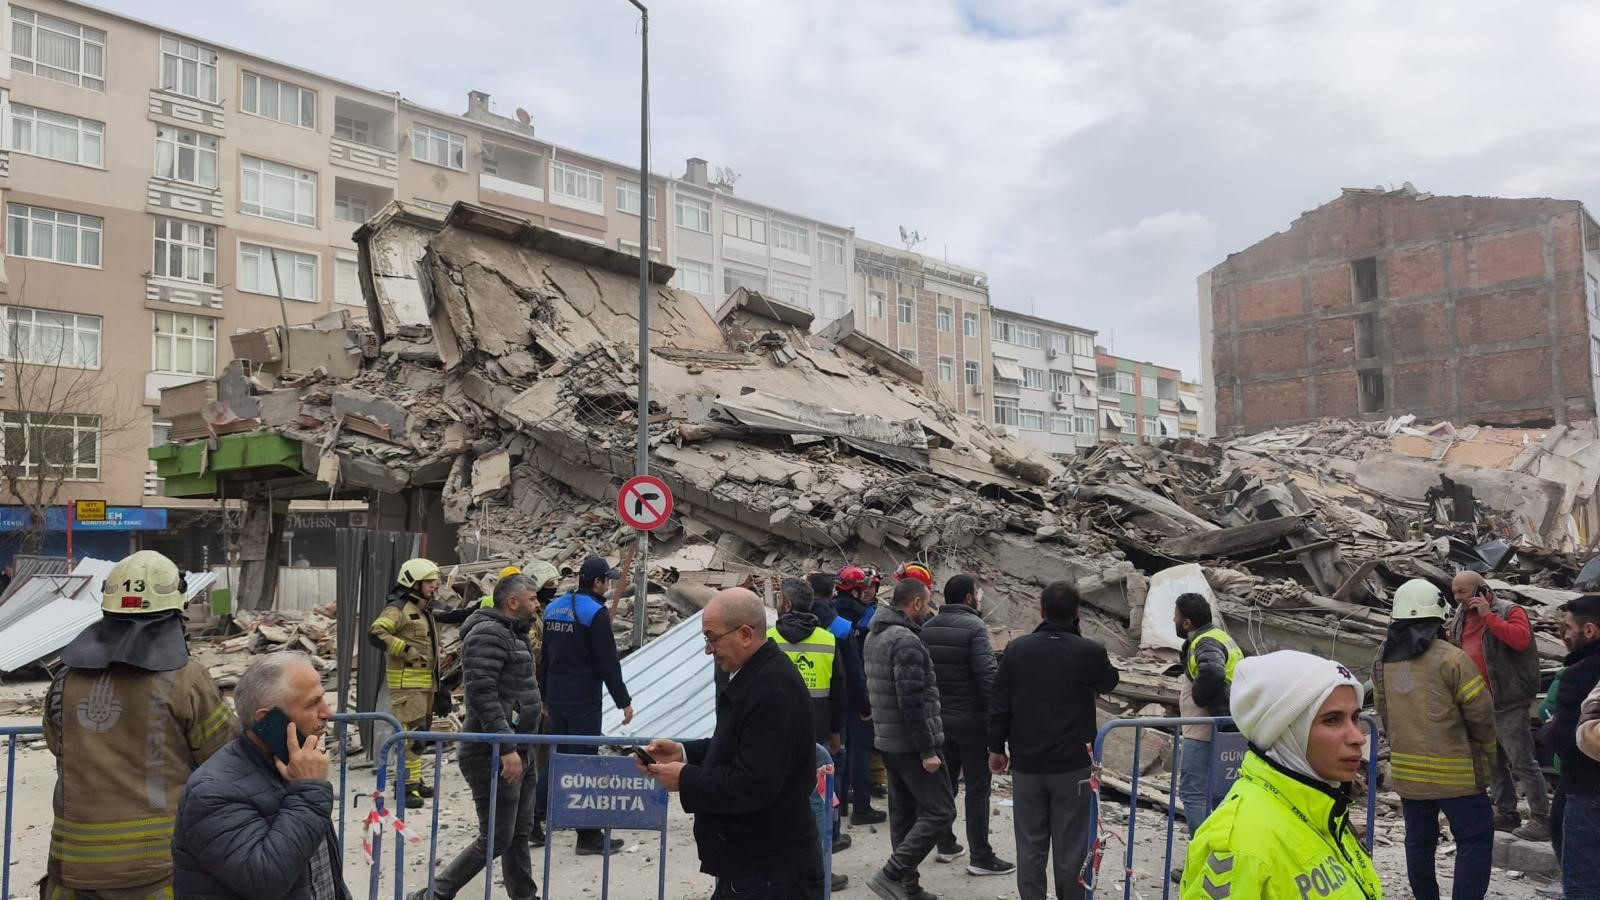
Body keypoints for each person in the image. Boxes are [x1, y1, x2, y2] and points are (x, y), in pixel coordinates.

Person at [41, 550, 238, 899]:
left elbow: (59, 747)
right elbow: (225, 759)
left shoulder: (65, 678)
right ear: (176, 612)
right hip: (154, 874)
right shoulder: (187, 679)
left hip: (70, 871)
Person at [638, 588, 823, 899]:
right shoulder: (755, 676)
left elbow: (753, 783)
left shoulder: (772, 689)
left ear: (746, 635)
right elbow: (737, 745)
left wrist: (685, 778)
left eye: (712, 638)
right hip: (752, 863)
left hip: (771, 871)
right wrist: (683, 752)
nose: (709, 650)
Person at [1180, 651, 1381, 900]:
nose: (1358, 737)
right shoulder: (1241, 842)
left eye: (1355, 717)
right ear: (1285, 732)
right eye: (1332, 720)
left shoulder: (1324, 811)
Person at [172, 652, 349, 899]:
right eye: (312, 704)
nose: (327, 713)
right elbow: (265, 880)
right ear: (267, 720)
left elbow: (320, 872)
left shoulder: (295, 766)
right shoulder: (211, 792)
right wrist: (310, 789)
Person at [412, 575, 544, 900]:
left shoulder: (516, 634)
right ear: (512, 602)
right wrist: (506, 747)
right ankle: (436, 893)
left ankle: (524, 896)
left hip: (519, 748)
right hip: (493, 753)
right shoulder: (488, 634)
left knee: (519, 834)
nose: (537, 604)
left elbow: (514, 687)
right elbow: (483, 695)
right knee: (497, 837)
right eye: (532, 598)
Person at [989, 581, 1119, 900]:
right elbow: (1110, 681)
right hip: (1072, 766)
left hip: (1027, 764)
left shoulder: (1017, 649)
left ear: (1041, 609)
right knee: (1072, 844)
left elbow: (999, 702)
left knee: (1030, 844)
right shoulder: (1089, 650)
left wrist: (996, 747)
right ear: (1077, 614)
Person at [1372, 579, 1497, 900]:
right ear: (1439, 615)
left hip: (1409, 777)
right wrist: (1487, 756)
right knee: (1474, 840)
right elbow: (1481, 716)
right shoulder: (1452, 659)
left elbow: (1385, 713)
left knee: (1418, 842)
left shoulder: (1381, 660)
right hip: (1459, 778)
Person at [864, 577, 955, 900]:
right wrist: (927, 750)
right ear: (916, 603)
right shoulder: (905, 641)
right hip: (913, 744)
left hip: (888, 740)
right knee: (941, 811)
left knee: (903, 814)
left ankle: (907, 887)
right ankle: (892, 873)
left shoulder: (875, 636)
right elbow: (911, 699)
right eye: (927, 602)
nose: (928, 608)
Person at [538, 556, 634, 856]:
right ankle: (588, 835)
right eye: (607, 580)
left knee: (557, 761)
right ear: (597, 582)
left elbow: (544, 655)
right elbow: (608, 664)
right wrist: (624, 702)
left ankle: (530, 819)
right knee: (584, 766)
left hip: (555, 699)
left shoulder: (554, 608)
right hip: (583, 701)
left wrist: (543, 697)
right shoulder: (595, 613)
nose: (608, 585)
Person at [919, 573, 1013, 877]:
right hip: (972, 724)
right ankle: (981, 857)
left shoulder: (927, 627)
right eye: (978, 593)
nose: (980, 599)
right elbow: (987, 678)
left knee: (945, 786)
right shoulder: (974, 627)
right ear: (969, 598)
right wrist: (997, 724)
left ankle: (946, 844)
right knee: (976, 790)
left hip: (940, 721)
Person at [1449, 570, 1549, 840]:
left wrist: (1488, 617)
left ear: (1482, 590)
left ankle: (1542, 818)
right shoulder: (1460, 616)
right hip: (1478, 702)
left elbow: (1520, 640)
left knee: (1522, 760)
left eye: (1463, 592)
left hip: (1508, 699)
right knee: (1492, 761)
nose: (1458, 598)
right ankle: (1506, 812)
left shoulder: (1509, 611)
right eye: (1455, 592)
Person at [770, 577, 852, 890]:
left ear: (787, 605)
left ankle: (778, 868)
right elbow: (838, 692)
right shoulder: (828, 640)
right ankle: (820, 871)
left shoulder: (768, 639)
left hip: (774, 735)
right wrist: (835, 733)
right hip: (816, 737)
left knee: (777, 802)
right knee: (818, 803)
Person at [369, 557, 446, 809]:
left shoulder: (422, 609)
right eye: (430, 581)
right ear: (413, 583)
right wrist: (406, 649)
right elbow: (377, 632)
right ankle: (405, 786)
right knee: (410, 737)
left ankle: (415, 780)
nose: (434, 585)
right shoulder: (398, 608)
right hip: (407, 685)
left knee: (419, 736)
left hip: (424, 685)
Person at [1538, 595, 1600, 899]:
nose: (1564, 634)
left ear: (1589, 631)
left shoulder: (1581, 672)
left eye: (1568, 627)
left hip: (1586, 787)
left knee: (1583, 881)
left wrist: (1549, 731)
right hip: (1580, 785)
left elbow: (1565, 738)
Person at [1172, 591, 1242, 839]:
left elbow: (1213, 671)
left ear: (1187, 622)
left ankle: (1202, 859)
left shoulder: (1206, 642)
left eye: (1176, 616)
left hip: (1207, 727)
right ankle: (1220, 857)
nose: (1173, 620)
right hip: (1226, 726)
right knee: (1219, 794)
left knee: (1193, 792)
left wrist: (1198, 697)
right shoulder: (1219, 636)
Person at [834, 565, 887, 827]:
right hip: (857, 690)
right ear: (855, 590)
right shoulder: (868, 617)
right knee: (860, 750)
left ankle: (841, 803)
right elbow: (863, 662)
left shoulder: (827, 613)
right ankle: (862, 807)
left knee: (839, 748)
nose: (869, 590)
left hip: (831, 693)